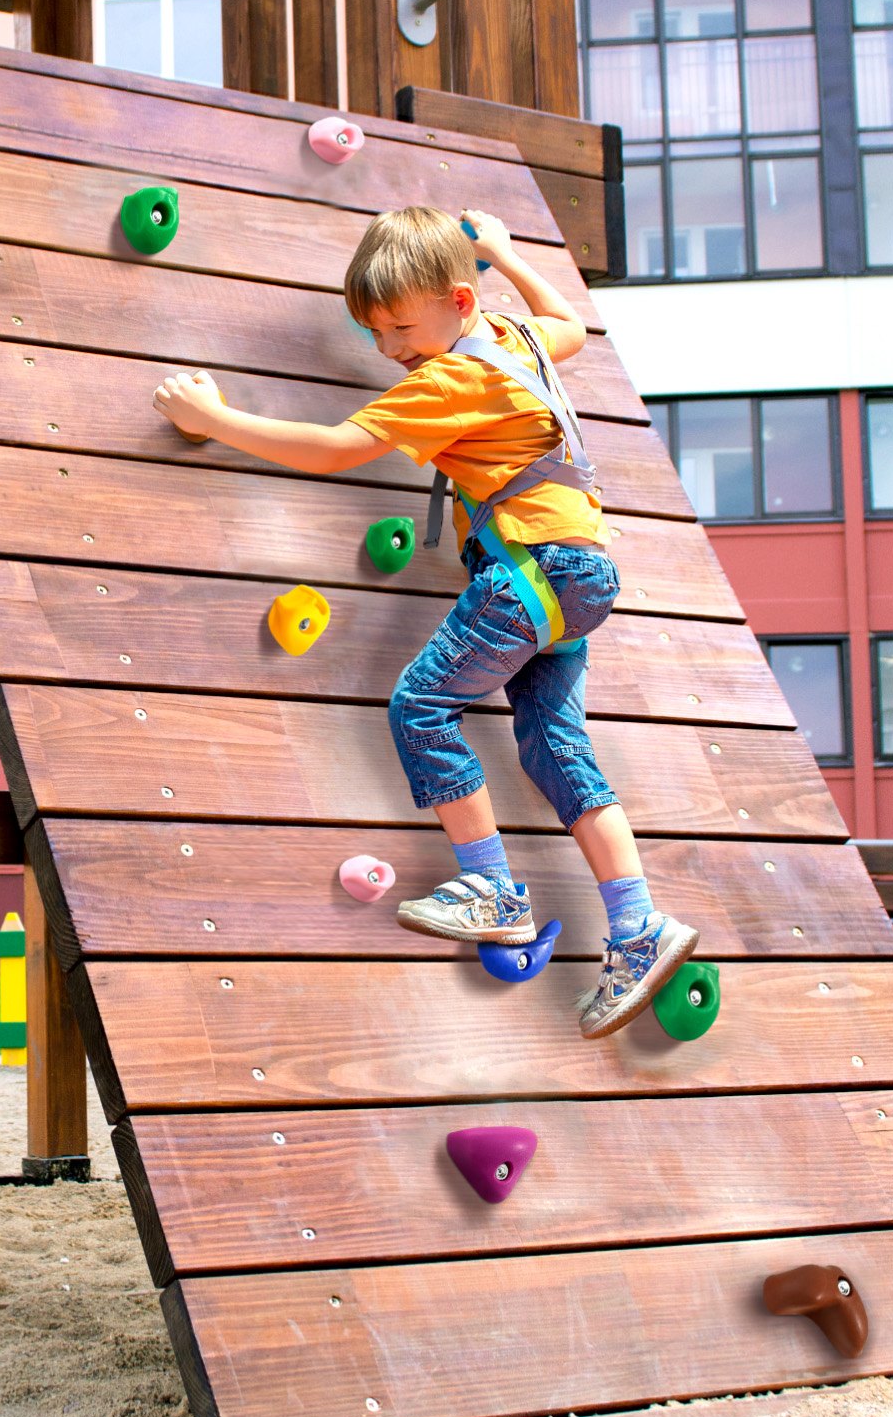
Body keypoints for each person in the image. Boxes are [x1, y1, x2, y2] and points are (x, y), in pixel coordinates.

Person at [152, 203, 697, 1037]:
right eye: (373, 332)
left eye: (401, 325)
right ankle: (638, 926)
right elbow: (568, 328)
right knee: (556, 748)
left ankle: (489, 886)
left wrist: (214, 421)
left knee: (423, 706)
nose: (389, 349)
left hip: (531, 570)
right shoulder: (511, 344)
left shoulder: (450, 380)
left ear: (457, 303)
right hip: (582, 576)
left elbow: (334, 448)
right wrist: (507, 255)